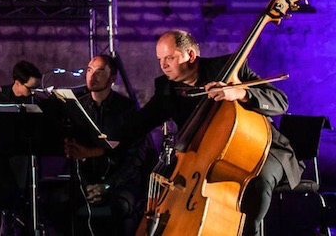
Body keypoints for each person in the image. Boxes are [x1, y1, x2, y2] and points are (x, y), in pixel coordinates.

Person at [68, 30, 301, 236]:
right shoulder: (167, 89)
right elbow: (136, 126)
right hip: (206, 159)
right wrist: (96, 147)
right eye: (160, 59)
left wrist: (240, 92)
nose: (163, 65)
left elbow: (281, 102)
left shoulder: (227, 69)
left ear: (190, 55)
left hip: (259, 150)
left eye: (170, 57)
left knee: (254, 184)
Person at [46, 55, 149, 235]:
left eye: (100, 72)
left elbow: (133, 158)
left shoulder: (127, 109)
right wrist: (86, 185)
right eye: (89, 70)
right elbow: (75, 154)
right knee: (55, 202)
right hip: (86, 181)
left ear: (112, 78)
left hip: (120, 183)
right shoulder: (78, 107)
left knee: (122, 207)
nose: (92, 76)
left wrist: (107, 185)